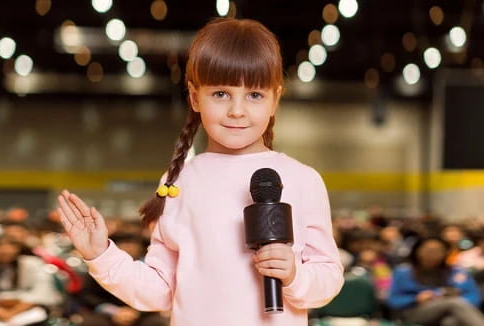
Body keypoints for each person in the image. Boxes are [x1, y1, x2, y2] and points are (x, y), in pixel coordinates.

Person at [57, 17, 344, 326]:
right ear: (195, 97)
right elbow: (159, 290)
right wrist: (100, 254)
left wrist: (294, 275)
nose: (237, 110)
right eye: (220, 94)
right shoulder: (178, 181)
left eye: (255, 95)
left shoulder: (303, 180)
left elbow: (328, 277)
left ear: (275, 98)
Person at [0, 235, 62, 325]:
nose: (3, 251)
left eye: (8, 246)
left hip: (26, 309)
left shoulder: (32, 264)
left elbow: (42, 292)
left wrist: (15, 310)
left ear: (17, 248)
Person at [387, 237, 484, 326]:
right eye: (429, 250)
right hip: (416, 311)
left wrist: (451, 296)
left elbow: (474, 296)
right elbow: (393, 300)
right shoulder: (403, 271)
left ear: (445, 252)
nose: (433, 254)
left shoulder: (456, 271)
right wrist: (416, 298)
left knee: (450, 322)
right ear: (418, 251)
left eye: (438, 250)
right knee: (453, 302)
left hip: (453, 311)